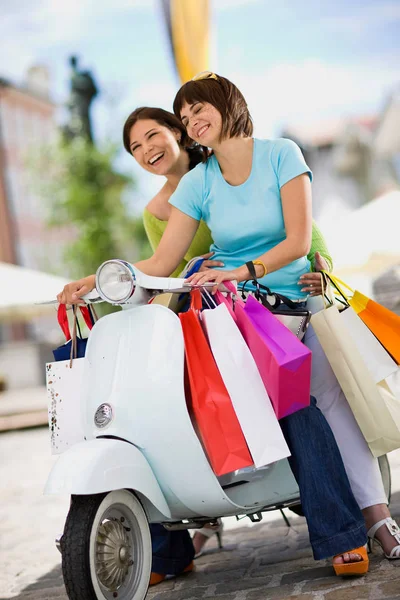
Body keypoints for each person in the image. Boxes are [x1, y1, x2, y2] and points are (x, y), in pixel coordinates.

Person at [59, 74, 380, 580]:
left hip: (281, 303)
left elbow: (301, 240)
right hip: (223, 309)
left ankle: (342, 530)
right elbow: (165, 259)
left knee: (290, 400)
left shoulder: (281, 154)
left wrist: (245, 270)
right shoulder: (196, 184)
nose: (192, 123)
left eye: (195, 112)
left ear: (226, 103)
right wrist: (97, 278)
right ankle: (177, 529)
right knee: (159, 393)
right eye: (185, 118)